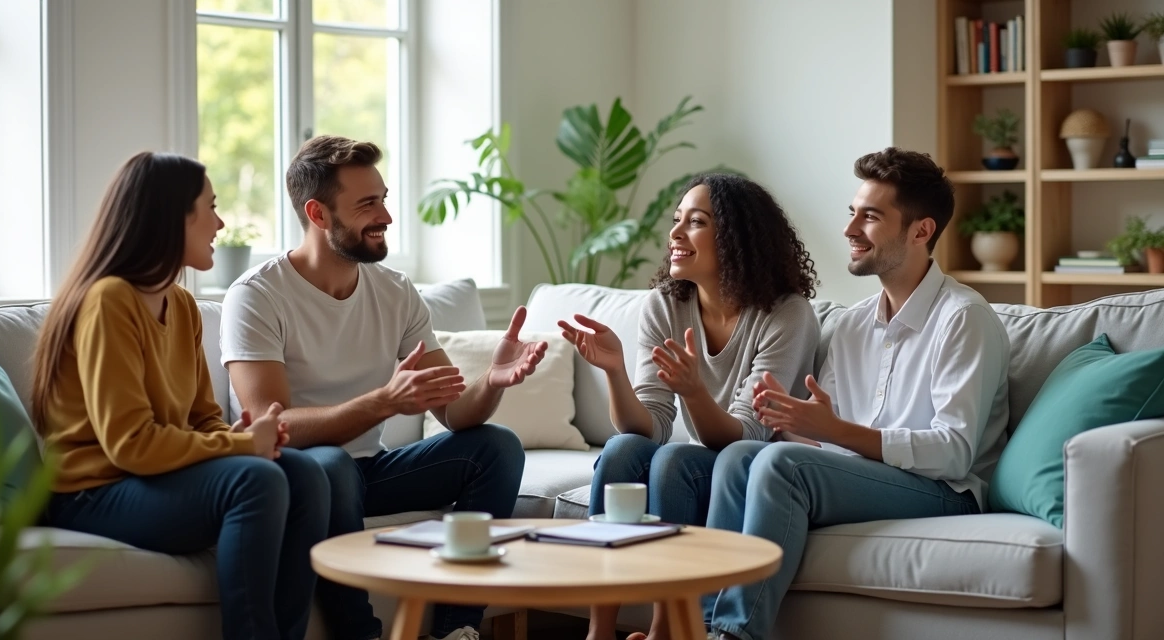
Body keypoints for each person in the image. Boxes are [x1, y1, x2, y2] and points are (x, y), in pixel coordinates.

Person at [221, 135, 540, 640]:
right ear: (318, 214)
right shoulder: (257, 296)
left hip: (372, 471)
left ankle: (458, 628)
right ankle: (361, 634)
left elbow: (456, 414)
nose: (386, 216)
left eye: (384, 198)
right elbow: (273, 426)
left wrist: (493, 381)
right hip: (304, 476)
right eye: (367, 204)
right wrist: (383, 402)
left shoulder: (394, 291)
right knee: (331, 463)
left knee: (496, 447)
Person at [701, 147, 1011, 640]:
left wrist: (834, 431)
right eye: (852, 213)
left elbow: (954, 454)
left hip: (947, 493)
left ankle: (732, 636)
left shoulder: (963, 318)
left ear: (920, 230)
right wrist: (792, 422)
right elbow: (826, 443)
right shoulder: (850, 325)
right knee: (741, 456)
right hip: (869, 477)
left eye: (870, 217)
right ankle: (698, 627)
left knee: (782, 466)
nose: (849, 229)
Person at [34, 152, 334, 640]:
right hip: (92, 492)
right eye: (210, 208)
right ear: (173, 217)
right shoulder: (109, 301)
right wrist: (241, 449)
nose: (220, 222)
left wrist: (249, 438)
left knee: (305, 472)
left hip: (153, 476)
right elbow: (130, 445)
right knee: (256, 482)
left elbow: (202, 419)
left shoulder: (183, 306)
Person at [557, 173, 820, 640]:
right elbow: (650, 426)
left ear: (737, 238)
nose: (675, 234)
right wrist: (615, 371)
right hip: (696, 457)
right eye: (676, 220)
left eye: (694, 222)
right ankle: (599, 631)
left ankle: (666, 631)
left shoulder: (787, 313)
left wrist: (695, 391)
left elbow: (748, 435)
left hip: (748, 465)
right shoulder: (665, 304)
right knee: (621, 451)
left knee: (675, 461)